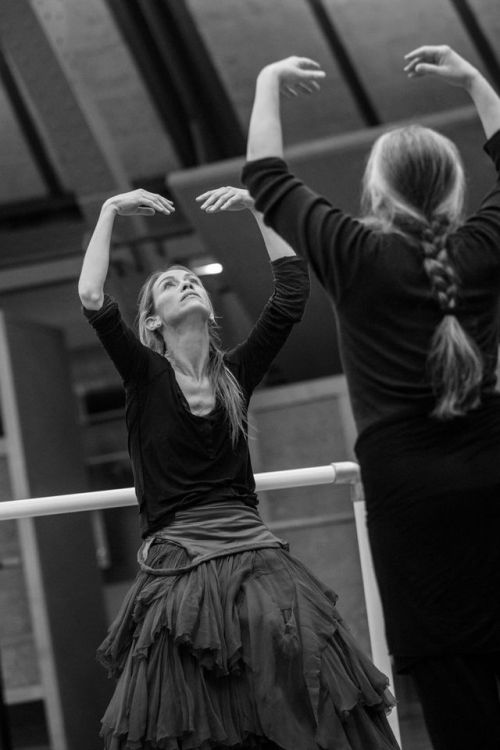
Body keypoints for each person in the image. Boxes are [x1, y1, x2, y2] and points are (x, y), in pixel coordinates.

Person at [242, 45, 500, 750]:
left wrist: (267, 78)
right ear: (451, 190)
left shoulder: (354, 252)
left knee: (455, 686)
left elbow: (264, 175)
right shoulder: (482, 248)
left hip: (408, 493)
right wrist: (477, 80)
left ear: (378, 193)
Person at [78, 185, 399, 750]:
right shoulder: (144, 375)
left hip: (250, 547)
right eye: (172, 285)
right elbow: (91, 295)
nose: (188, 284)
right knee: (191, 695)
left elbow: (291, 293)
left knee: (304, 659)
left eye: (192, 279)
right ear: (153, 323)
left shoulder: (235, 372)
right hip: (182, 554)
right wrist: (107, 211)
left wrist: (260, 209)